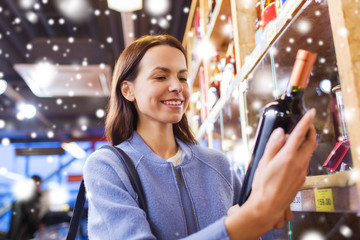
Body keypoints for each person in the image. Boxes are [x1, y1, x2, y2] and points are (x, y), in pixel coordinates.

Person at [83, 34, 317, 239]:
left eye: (182, 77)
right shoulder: (107, 167)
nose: (177, 86)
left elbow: (265, 229)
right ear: (128, 90)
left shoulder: (218, 165)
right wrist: (244, 223)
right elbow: (251, 220)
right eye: (161, 77)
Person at [7, 175, 44, 240]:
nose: (41, 188)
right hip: (24, 235)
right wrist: (40, 227)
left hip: (15, 234)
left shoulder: (22, 196)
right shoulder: (32, 198)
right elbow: (32, 218)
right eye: (40, 185)